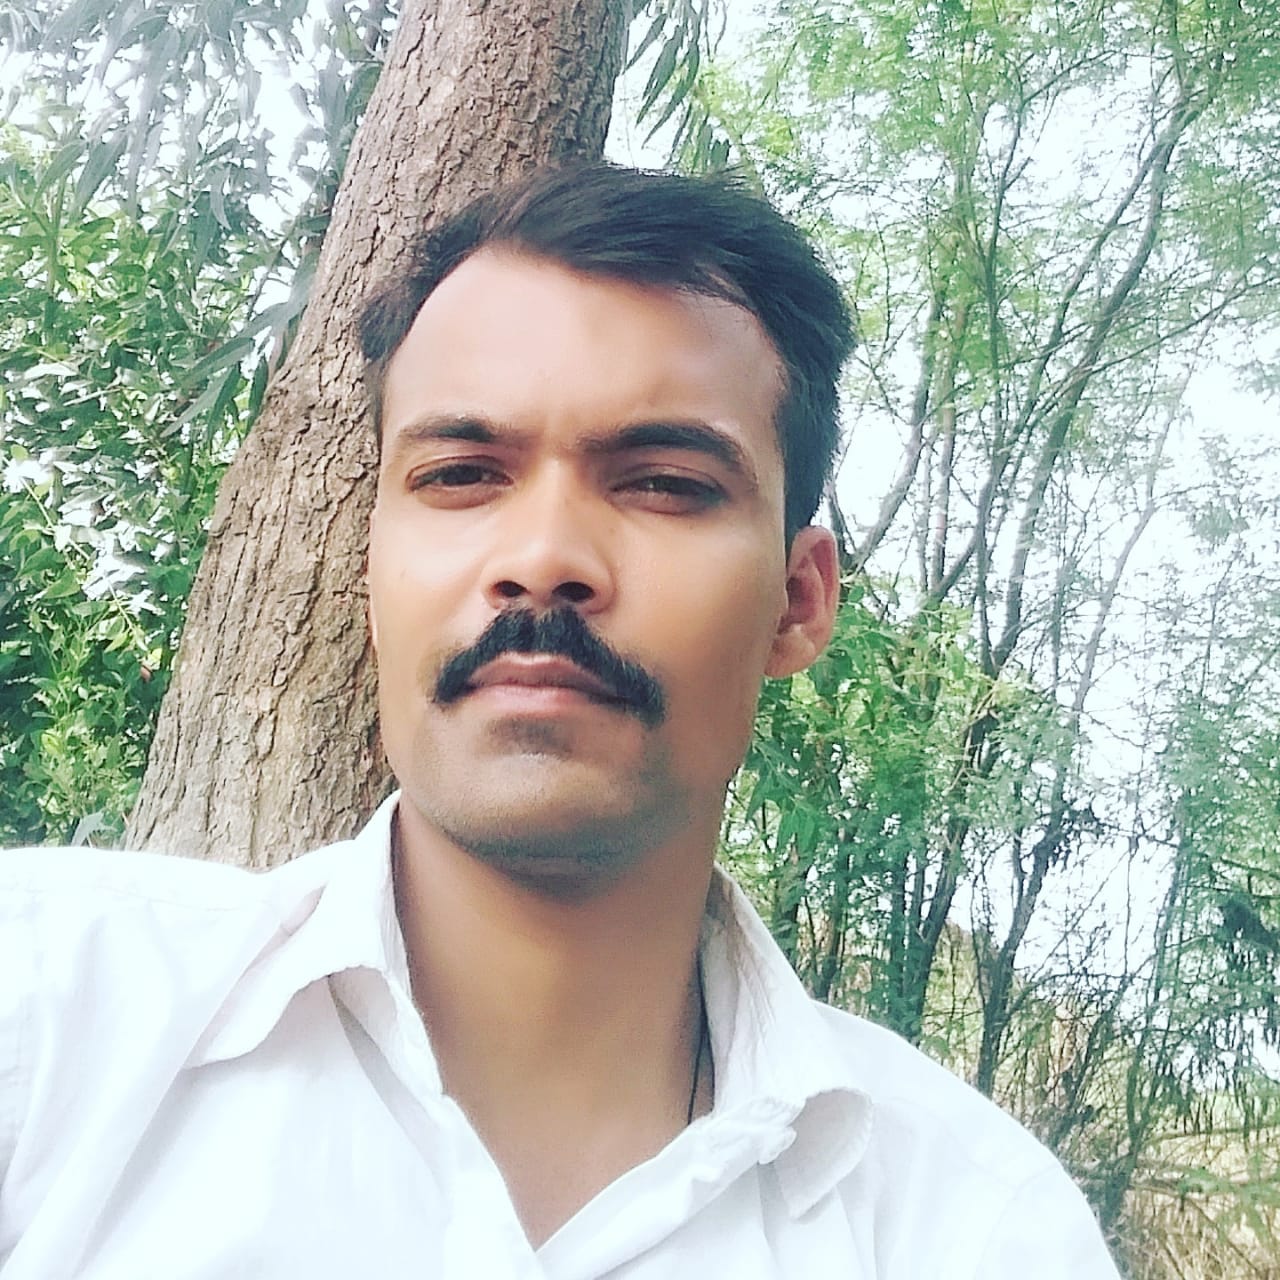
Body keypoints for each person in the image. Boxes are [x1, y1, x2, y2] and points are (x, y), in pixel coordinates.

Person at [0, 164, 1120, 1278]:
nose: (541, 557)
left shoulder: (975, 1230)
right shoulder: (47, 1015)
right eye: (460, 474)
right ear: (371, 572)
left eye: (664, 482)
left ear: (796, 600)